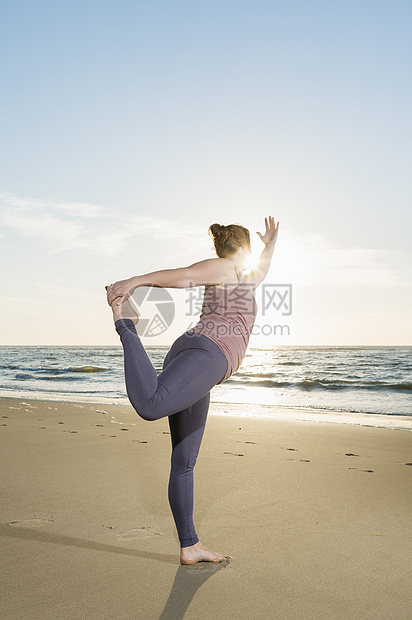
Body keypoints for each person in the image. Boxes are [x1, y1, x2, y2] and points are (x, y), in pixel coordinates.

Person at [106, 216, 279, 564]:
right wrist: (135, 281)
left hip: (201, 360)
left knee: (184, 461)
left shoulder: (244, 279)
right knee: (151, 405)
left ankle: (190, 546)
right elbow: (186, 276)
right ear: (241, 251)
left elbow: (263, 268)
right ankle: (126, 324)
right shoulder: (224, 268)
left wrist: (271, 243)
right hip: (205, 353)